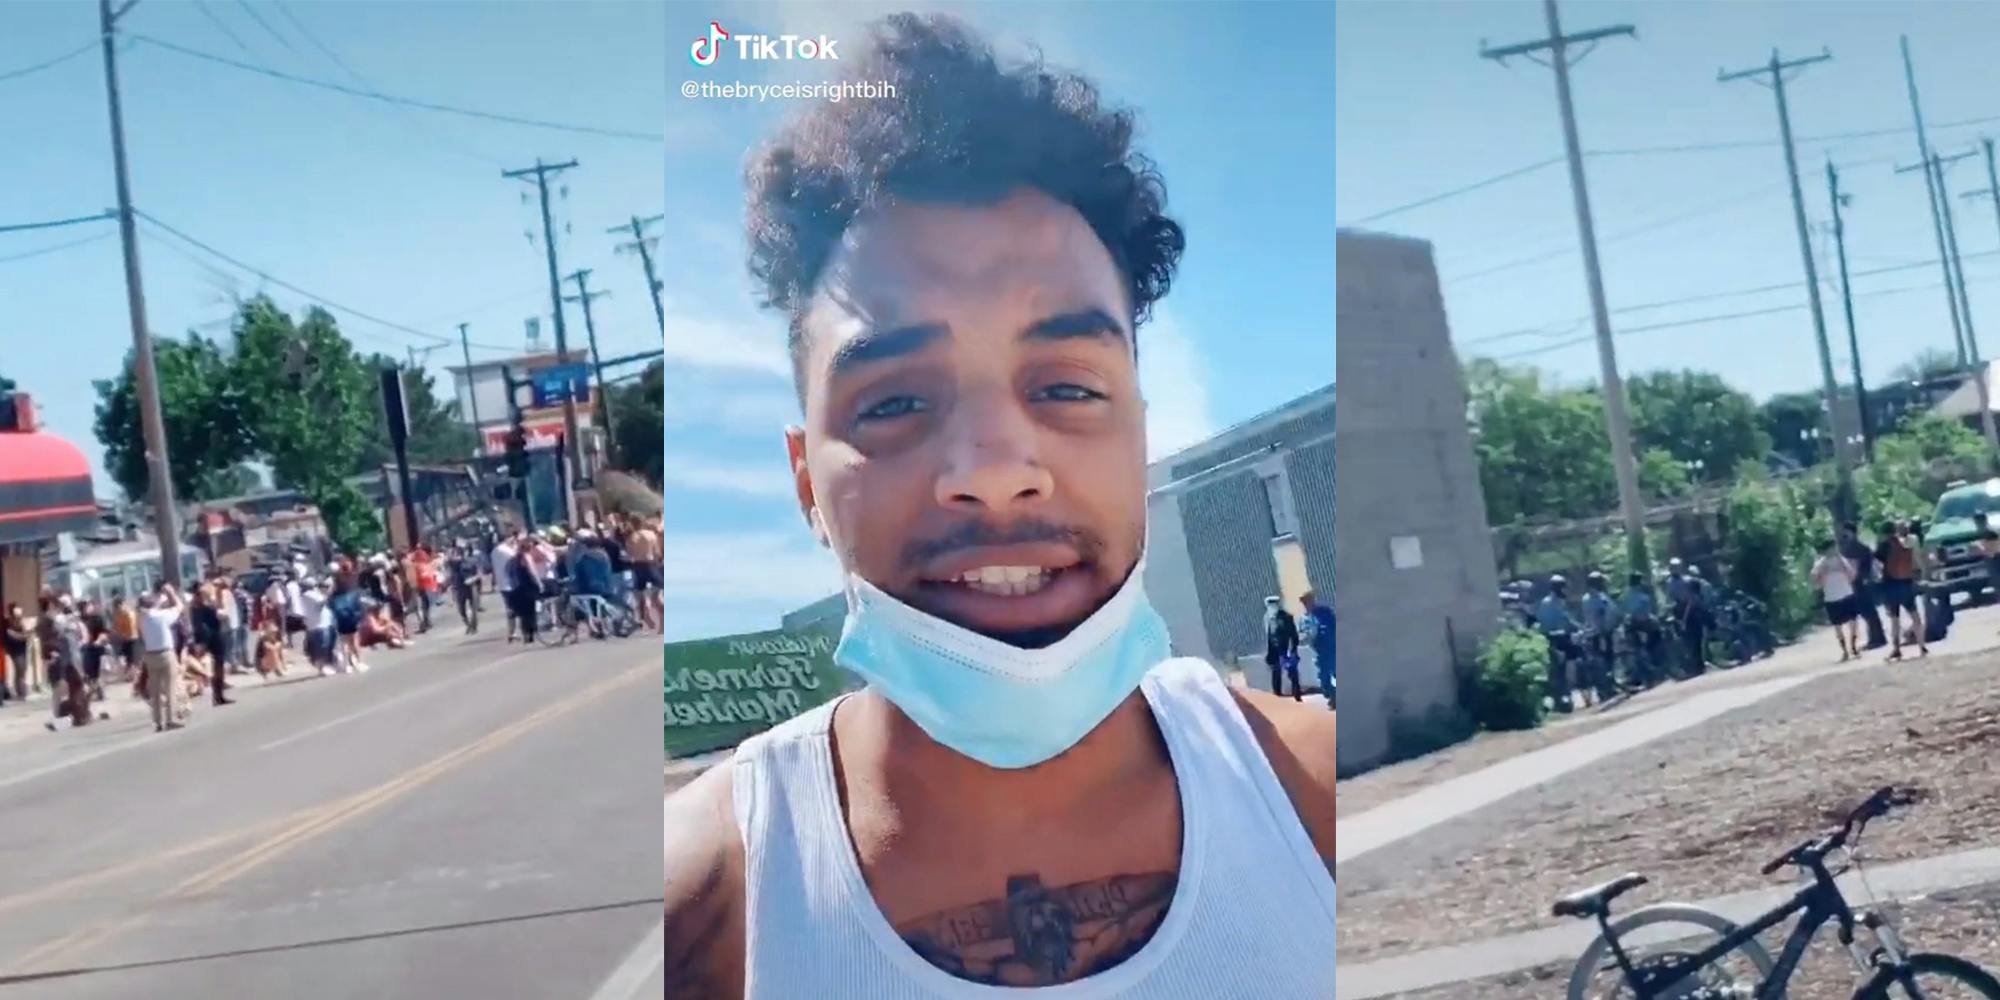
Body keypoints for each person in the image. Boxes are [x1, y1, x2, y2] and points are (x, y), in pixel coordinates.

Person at [664, 16, 1333, 994]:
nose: (993, 469)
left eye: (1065, 387)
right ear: (807, 484)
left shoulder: (1311, 799)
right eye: (893, 401)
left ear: (1140, 435)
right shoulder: (706, 899)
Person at [1875, 519, 1929, 661]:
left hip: (1890, 585)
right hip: (1906, 582)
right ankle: (1922, 645)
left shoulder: (1883, 546)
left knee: (1894, 619)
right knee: (1915, 615)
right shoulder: (1905, 542)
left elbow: (1877, 565)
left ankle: (1896, 649)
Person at [139, 586, 189, 732]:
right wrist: (171, 594)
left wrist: (158, 603)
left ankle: (157, 721)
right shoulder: (162, 616)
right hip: (165, 653)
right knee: (169, 687)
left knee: (154, 690)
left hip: (150, 655)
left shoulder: (142, 618)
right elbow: (179, 607)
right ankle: (171, 718)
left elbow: (150, 611)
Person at [1536, 574, 1584, 709]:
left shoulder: (1555, 602)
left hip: (1559, 637)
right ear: (1558, 589)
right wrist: (1576, 629)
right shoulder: (1550, 603)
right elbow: (1561, 621)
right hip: (1555, 639)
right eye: (1563, 588)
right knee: (1565, 664)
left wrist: (1579, 627)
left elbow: (1567, 620)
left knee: (1563, 666)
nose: (1565, 591)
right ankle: (1565, 693)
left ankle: (1565, 693)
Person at [1810, 537, 1861, 661]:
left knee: (1853, 622)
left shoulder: (1842, 560)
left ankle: (1853, 646)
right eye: (1832, 548)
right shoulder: (1820, 564)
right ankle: (1844, 650)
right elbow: (1815, 583)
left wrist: (1843, 566)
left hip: (1847, 594)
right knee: (1838, 626)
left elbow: (1852, 576)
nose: (1834, 550)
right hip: (1831, 598)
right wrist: (1824, 574)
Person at [1839, 522, 1887, 650]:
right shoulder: (1850, 548)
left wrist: (1860, 577)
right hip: (1857, 582)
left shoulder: (1857, 548)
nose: (1844, 534)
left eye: (1846, 532)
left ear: (1852, 532)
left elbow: (1863, 566)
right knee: (1866, 611)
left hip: (1862, 583)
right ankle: (1876, 637)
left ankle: (1877, 638)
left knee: (1868, 611)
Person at [1665, 559, 1713, 674]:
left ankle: (1701, 662)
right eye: (1673, 567)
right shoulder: (1670, 583)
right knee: (1687, 638)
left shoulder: (1688, 580)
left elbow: (1698, 592)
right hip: (1680, 612)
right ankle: (1692, 665)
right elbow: (1670, 598)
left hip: (1693, 610)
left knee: (1698, 636)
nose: (1675, 569)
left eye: (1677, 567)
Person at [1619, 571, 1665, 686]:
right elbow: (1644, 614)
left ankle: (1644, 675)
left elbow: (1623, 612)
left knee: (1637, 651)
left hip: (1631, 626)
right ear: (1638, 582)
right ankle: (1657, 669)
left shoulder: (1624, 596)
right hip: (1643, 625)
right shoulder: (1642, 597)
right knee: (1655, 642)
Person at [626, 515, 664, 633]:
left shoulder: (632, 537)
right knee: (656, 596)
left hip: (638, 566)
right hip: (651, 565)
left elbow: (630, 554)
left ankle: (646, 618)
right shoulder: (651, 535)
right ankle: (662, 624)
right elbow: (657, 553)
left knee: (639, 595)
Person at [1299, 590, 1335, 710]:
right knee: (1324, 679)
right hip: (1319, 652)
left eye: (1308, 600)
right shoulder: (1304, 619)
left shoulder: (1325, 612)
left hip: (1333, 649)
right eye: (1304, 602)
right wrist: (1307, 637)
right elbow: (1302, 636)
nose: (1307, 603)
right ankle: (1332, 695)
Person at [1263, 595, 1302, 700]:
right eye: (1270, 604)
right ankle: (1277, 695)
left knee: (1291, 671)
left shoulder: (1286, 617)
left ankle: (1297, 694)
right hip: (1274, 650)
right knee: (1275, 673)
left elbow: (1293, 635)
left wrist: (1293, 649)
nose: (1272, 606)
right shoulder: (1267, 617)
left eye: (1274, 604)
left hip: (1286, 648)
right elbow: (1269, 635)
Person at [492, 529, 521, 643]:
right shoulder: (505, 551)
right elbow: (516, 558)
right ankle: (513, 632)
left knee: (510, 608)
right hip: (511, 583)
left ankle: (512, 631)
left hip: (502, 583)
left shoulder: (494, 551)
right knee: (513, 608)